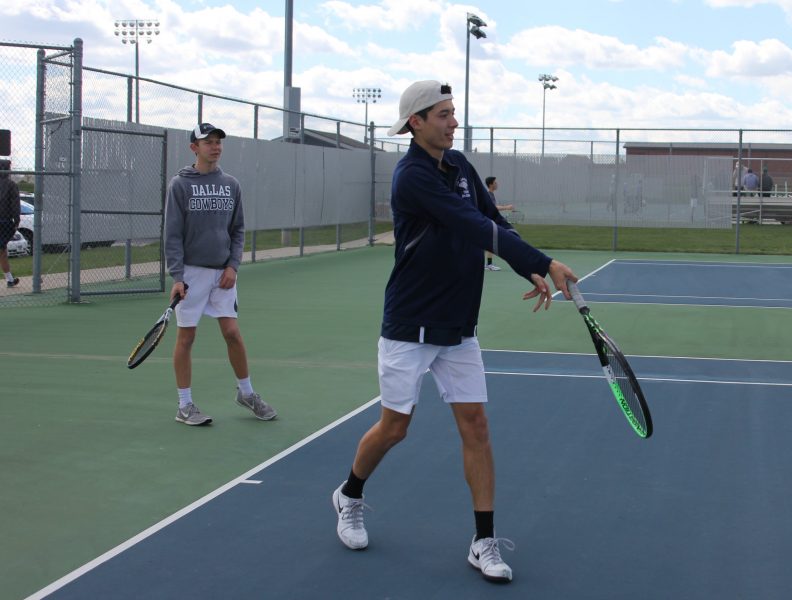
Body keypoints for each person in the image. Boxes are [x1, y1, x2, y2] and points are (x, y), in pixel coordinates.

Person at [331, 81, 577, 583]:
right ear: (415, 122)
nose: (453, 122)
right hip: (409, 322)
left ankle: (483, 539)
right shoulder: (411, 177)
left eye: (453, 112)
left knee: (476, 426)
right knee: (395, 427)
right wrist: (544, 261)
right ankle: (349, 494)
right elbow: (470, 225)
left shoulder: (460, 166)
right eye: (443, 114)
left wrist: (524, 267)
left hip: (459, 324)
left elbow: (491, 221)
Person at [164, 123, 276, 426]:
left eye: (218, 142)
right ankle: (184, 405)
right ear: (194, 148)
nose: (215, 147)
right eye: (208, 142)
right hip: (190, 274)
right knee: (186, 337)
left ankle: (246, 393)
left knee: (232, 333)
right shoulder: (180, 185)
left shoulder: (231, 184)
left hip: (223, 274)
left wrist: (232, 266)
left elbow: (237, 230)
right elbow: (172, 235)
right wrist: (177, 277)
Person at [483, 176, 514, 271]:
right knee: (488, 244)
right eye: (495, 183)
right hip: (488, 222)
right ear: (491, 184)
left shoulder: (491, 194)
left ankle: (488, 264)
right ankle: (488, 264)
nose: (497, 184)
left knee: (487, 244)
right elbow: (494, 208)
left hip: (489, 221)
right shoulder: (488, 194)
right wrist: (507, 207)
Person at [0, 159, 21, 288]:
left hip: (4, 222)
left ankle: (9, 279)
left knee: (2, 251)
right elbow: (15, 205)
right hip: (5, 222)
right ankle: (9, 279)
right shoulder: (11, 185)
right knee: (2, 250)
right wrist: (16, 220)